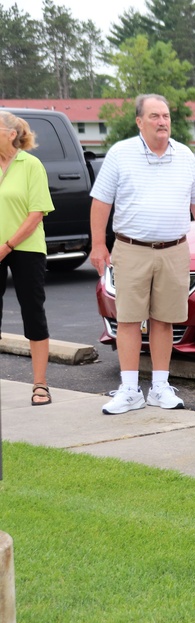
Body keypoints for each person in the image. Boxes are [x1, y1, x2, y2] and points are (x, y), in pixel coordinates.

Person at [89, 93, 195, 415]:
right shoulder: (120, 153)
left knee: (164, 320)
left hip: (174, 250)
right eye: (155, 116)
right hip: (131, 250)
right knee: (129, 319)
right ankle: (130, 390)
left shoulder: (185, 155)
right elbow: (101, 202)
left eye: (166, 116)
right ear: (139, 121)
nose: (162, 122)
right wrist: (98, 245)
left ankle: (160, 387)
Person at [0, 111, 55, 406]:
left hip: (26, 248)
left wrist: (7, 246)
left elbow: (36, 214)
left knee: (33, 313)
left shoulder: (31, 164)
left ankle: (40, 384)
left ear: (11, 134)